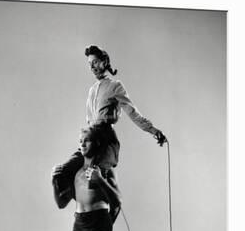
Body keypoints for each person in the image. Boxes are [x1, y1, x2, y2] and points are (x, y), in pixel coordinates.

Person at [55, 45, 167, 191]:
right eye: (89, 64)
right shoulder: (92, 90)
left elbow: (132, 113)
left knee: (94, 185)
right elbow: (89, 120)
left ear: (104, 61)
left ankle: (111, 203)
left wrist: (153, 130)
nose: (92, 67)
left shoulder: (115, 86)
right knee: (61, 173)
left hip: (106, 140)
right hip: (90, 139)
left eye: (94, 62)